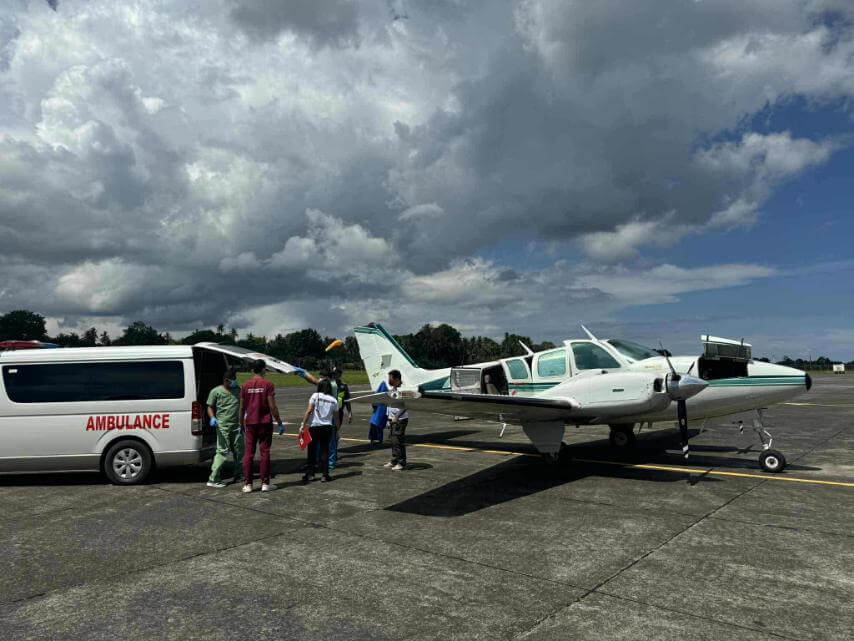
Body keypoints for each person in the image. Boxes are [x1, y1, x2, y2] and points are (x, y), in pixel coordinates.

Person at [239, 359, 283, 492]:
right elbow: (272, 406)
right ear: (264, 369)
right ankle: (265, 483)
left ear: (252, 370)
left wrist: (241, 423)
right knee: (264, 452)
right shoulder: (268, 385)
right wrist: (279, 422)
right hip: (264, 422)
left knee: (249, 453)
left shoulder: (245, 385)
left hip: (250, 423)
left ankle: (248, 484)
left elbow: (241, 408)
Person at [206, 367, 244, 488]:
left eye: (235, 379)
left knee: (239, 451)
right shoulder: (216, 391)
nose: (235, 381)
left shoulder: (238, 390)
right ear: (226, 380)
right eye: (233, 379)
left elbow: (244, 405)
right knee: (222, 452)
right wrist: (212, 417)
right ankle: (213, 478)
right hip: (223, 426)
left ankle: (238, 474)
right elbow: (209, 407)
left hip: (236, 426)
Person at [300, 379, 338, 483]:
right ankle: (325, 475)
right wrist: (337, 428)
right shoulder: (333, 400)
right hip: (327, 427)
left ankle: (311, 474)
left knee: (311, 451)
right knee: (325, 451)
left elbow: (309, 411)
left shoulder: (315, 396)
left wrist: (303, 424)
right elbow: (336, 417)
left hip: (315, 426)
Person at [383, 369, 409, 471]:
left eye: (391, 378)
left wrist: (396, 417)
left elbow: (405, 406)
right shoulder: (392, 390)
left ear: (397, 379)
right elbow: (389, 405)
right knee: (393, 441)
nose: (389, 380)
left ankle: (401, 462)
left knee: (398, 441)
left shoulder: (402, 390)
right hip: (392, 419)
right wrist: (388, 418)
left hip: (400, 419)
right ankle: (394, 460)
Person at [368, 378, 388, 445]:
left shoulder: (383, 384)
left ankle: (375, 439)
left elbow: (377, 396)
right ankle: (377, 439)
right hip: (381, 407)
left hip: (381, 408)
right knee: (377, 424)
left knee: (376, 424)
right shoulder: (384, 384)